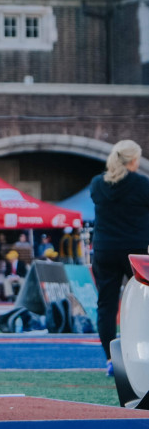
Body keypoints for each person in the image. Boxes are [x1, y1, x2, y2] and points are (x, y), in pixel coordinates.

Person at [90, 139, 149, 376]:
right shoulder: (142, 185)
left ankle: (110, 359)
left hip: (104, 249)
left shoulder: (97, 184)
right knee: (143, 305)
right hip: (135, 252)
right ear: (134, 160)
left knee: (106, 306)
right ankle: (141, 356)